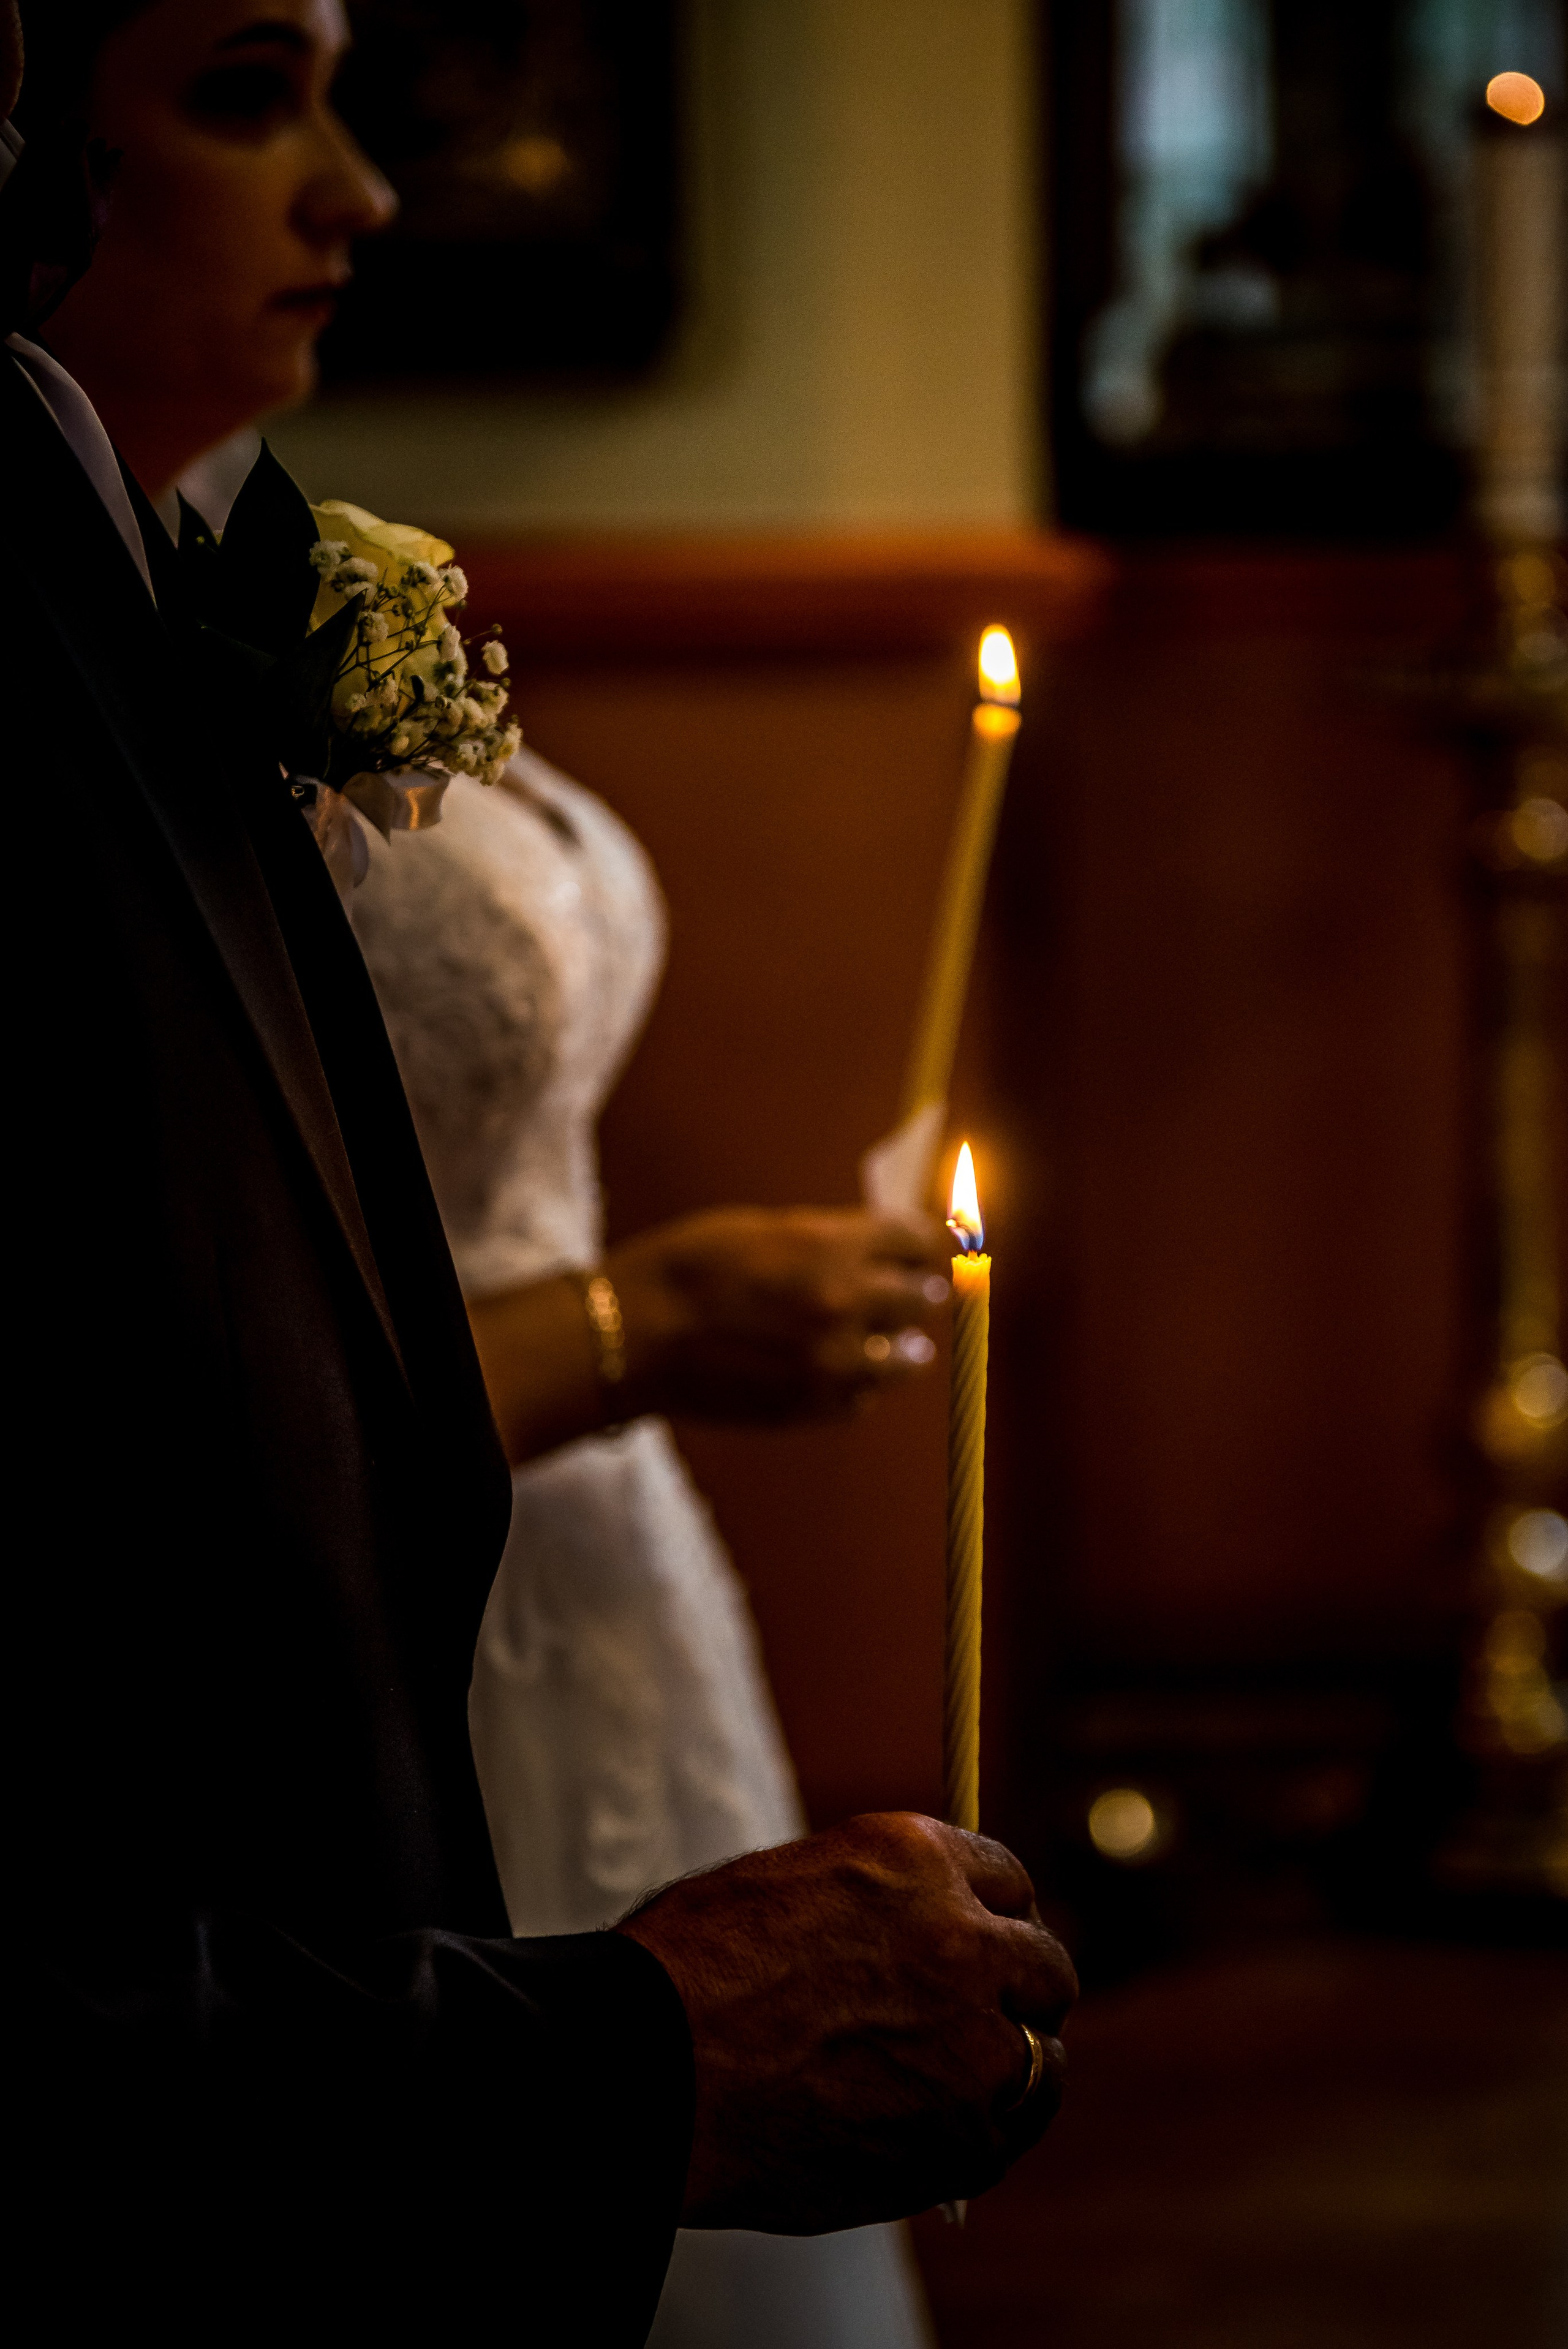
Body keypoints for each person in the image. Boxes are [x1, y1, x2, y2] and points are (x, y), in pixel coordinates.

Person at [2, 1, 1077, 2337]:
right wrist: (645, 1324)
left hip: (565, 1614)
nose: (358, 192)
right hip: (302, 1785)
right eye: (237, 90)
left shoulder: (212, 578)